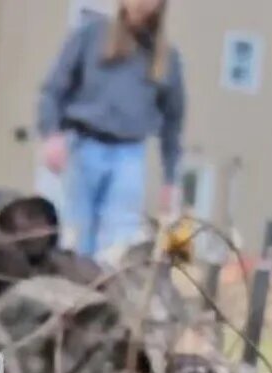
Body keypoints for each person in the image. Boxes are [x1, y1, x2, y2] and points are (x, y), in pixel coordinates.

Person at [37, 0, 186, 262]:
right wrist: (52, 134)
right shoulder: (90, 35)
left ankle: (105, 297)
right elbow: (53, 90)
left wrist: (170, 179)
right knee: (73, 237)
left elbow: (173, 123)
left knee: (116, 245)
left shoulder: (167, 59)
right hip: (81, 147)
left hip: (128, 157)